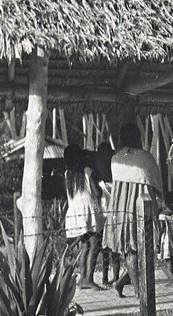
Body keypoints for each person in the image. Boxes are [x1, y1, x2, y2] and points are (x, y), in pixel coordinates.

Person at [104, 122, 164, 297]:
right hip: (143, 206)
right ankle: (139, 291)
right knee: (142, 250)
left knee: (130, 250)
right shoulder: (145, 158)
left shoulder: (115, 159)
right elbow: (156, 183)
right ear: (138, 137)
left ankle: (122, 283)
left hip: (122, 209)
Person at [63, 144, 104, 289]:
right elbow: (96, 192)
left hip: (75, 211)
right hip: (88, 209)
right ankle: (89, 278)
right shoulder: (87, 171)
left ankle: (82, 278)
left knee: (85, 245)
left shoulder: (68, 174)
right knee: (94, 244)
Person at [92, 141, 120, 287]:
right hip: (113, 217)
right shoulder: (116, 181)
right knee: (114, 249)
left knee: (105, 251)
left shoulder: (99, 182)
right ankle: (114, 276)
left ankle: (106, 278)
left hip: (103, 217)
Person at [158, 190, 173, 276]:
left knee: (169, 261)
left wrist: (158, 241)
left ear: (167, 203)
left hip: (167, 241)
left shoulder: (162, 215)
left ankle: (171, 280)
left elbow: (161, 229)